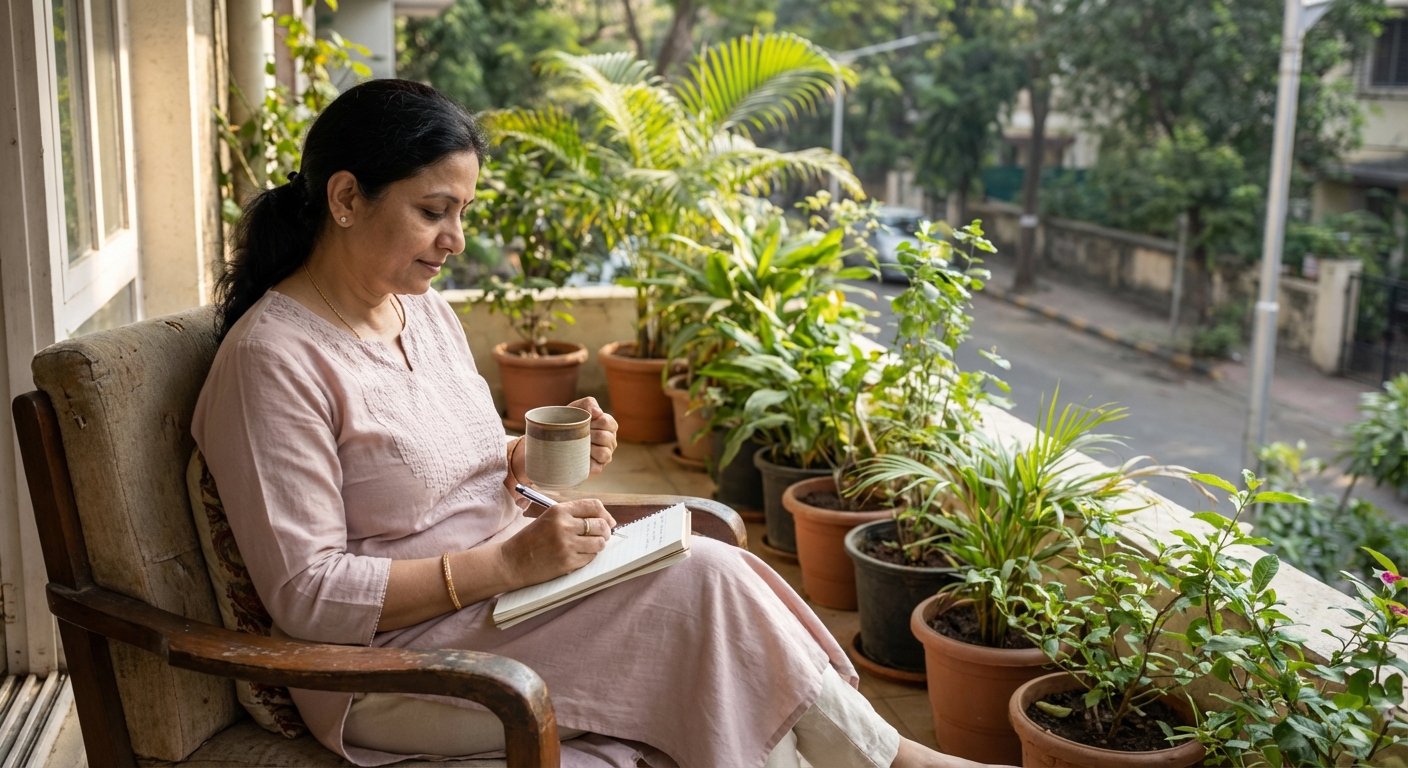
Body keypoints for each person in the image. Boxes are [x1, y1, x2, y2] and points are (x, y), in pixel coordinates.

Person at [192, 79, 996, 768]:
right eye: (434, 210)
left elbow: (441, 464)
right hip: (395, 666)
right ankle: (899, 761)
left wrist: (529, 453)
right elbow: (308, 595)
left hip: (510, 606)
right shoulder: (273, 360)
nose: (457, 240)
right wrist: (505, 565)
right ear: (344, 197)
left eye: (463, 210)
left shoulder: (420, 312)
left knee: (715, 570)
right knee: (705, 595)